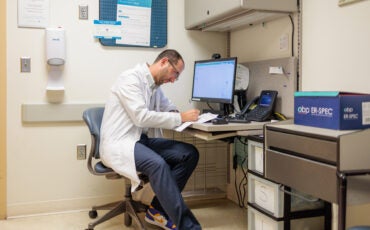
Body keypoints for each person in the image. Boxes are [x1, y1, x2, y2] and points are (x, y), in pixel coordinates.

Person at [100, 49, 202, 230]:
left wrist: (179, 114)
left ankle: (157, 210)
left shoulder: (154, 86)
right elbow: (141, 117)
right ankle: (189, 227)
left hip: (140, 141)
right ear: (164, 62)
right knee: (158, 164)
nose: (173, 80)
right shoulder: (130, 79)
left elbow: (167, 107)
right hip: (120, 143)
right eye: (175, 73)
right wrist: (181, 118)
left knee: (189, 153)